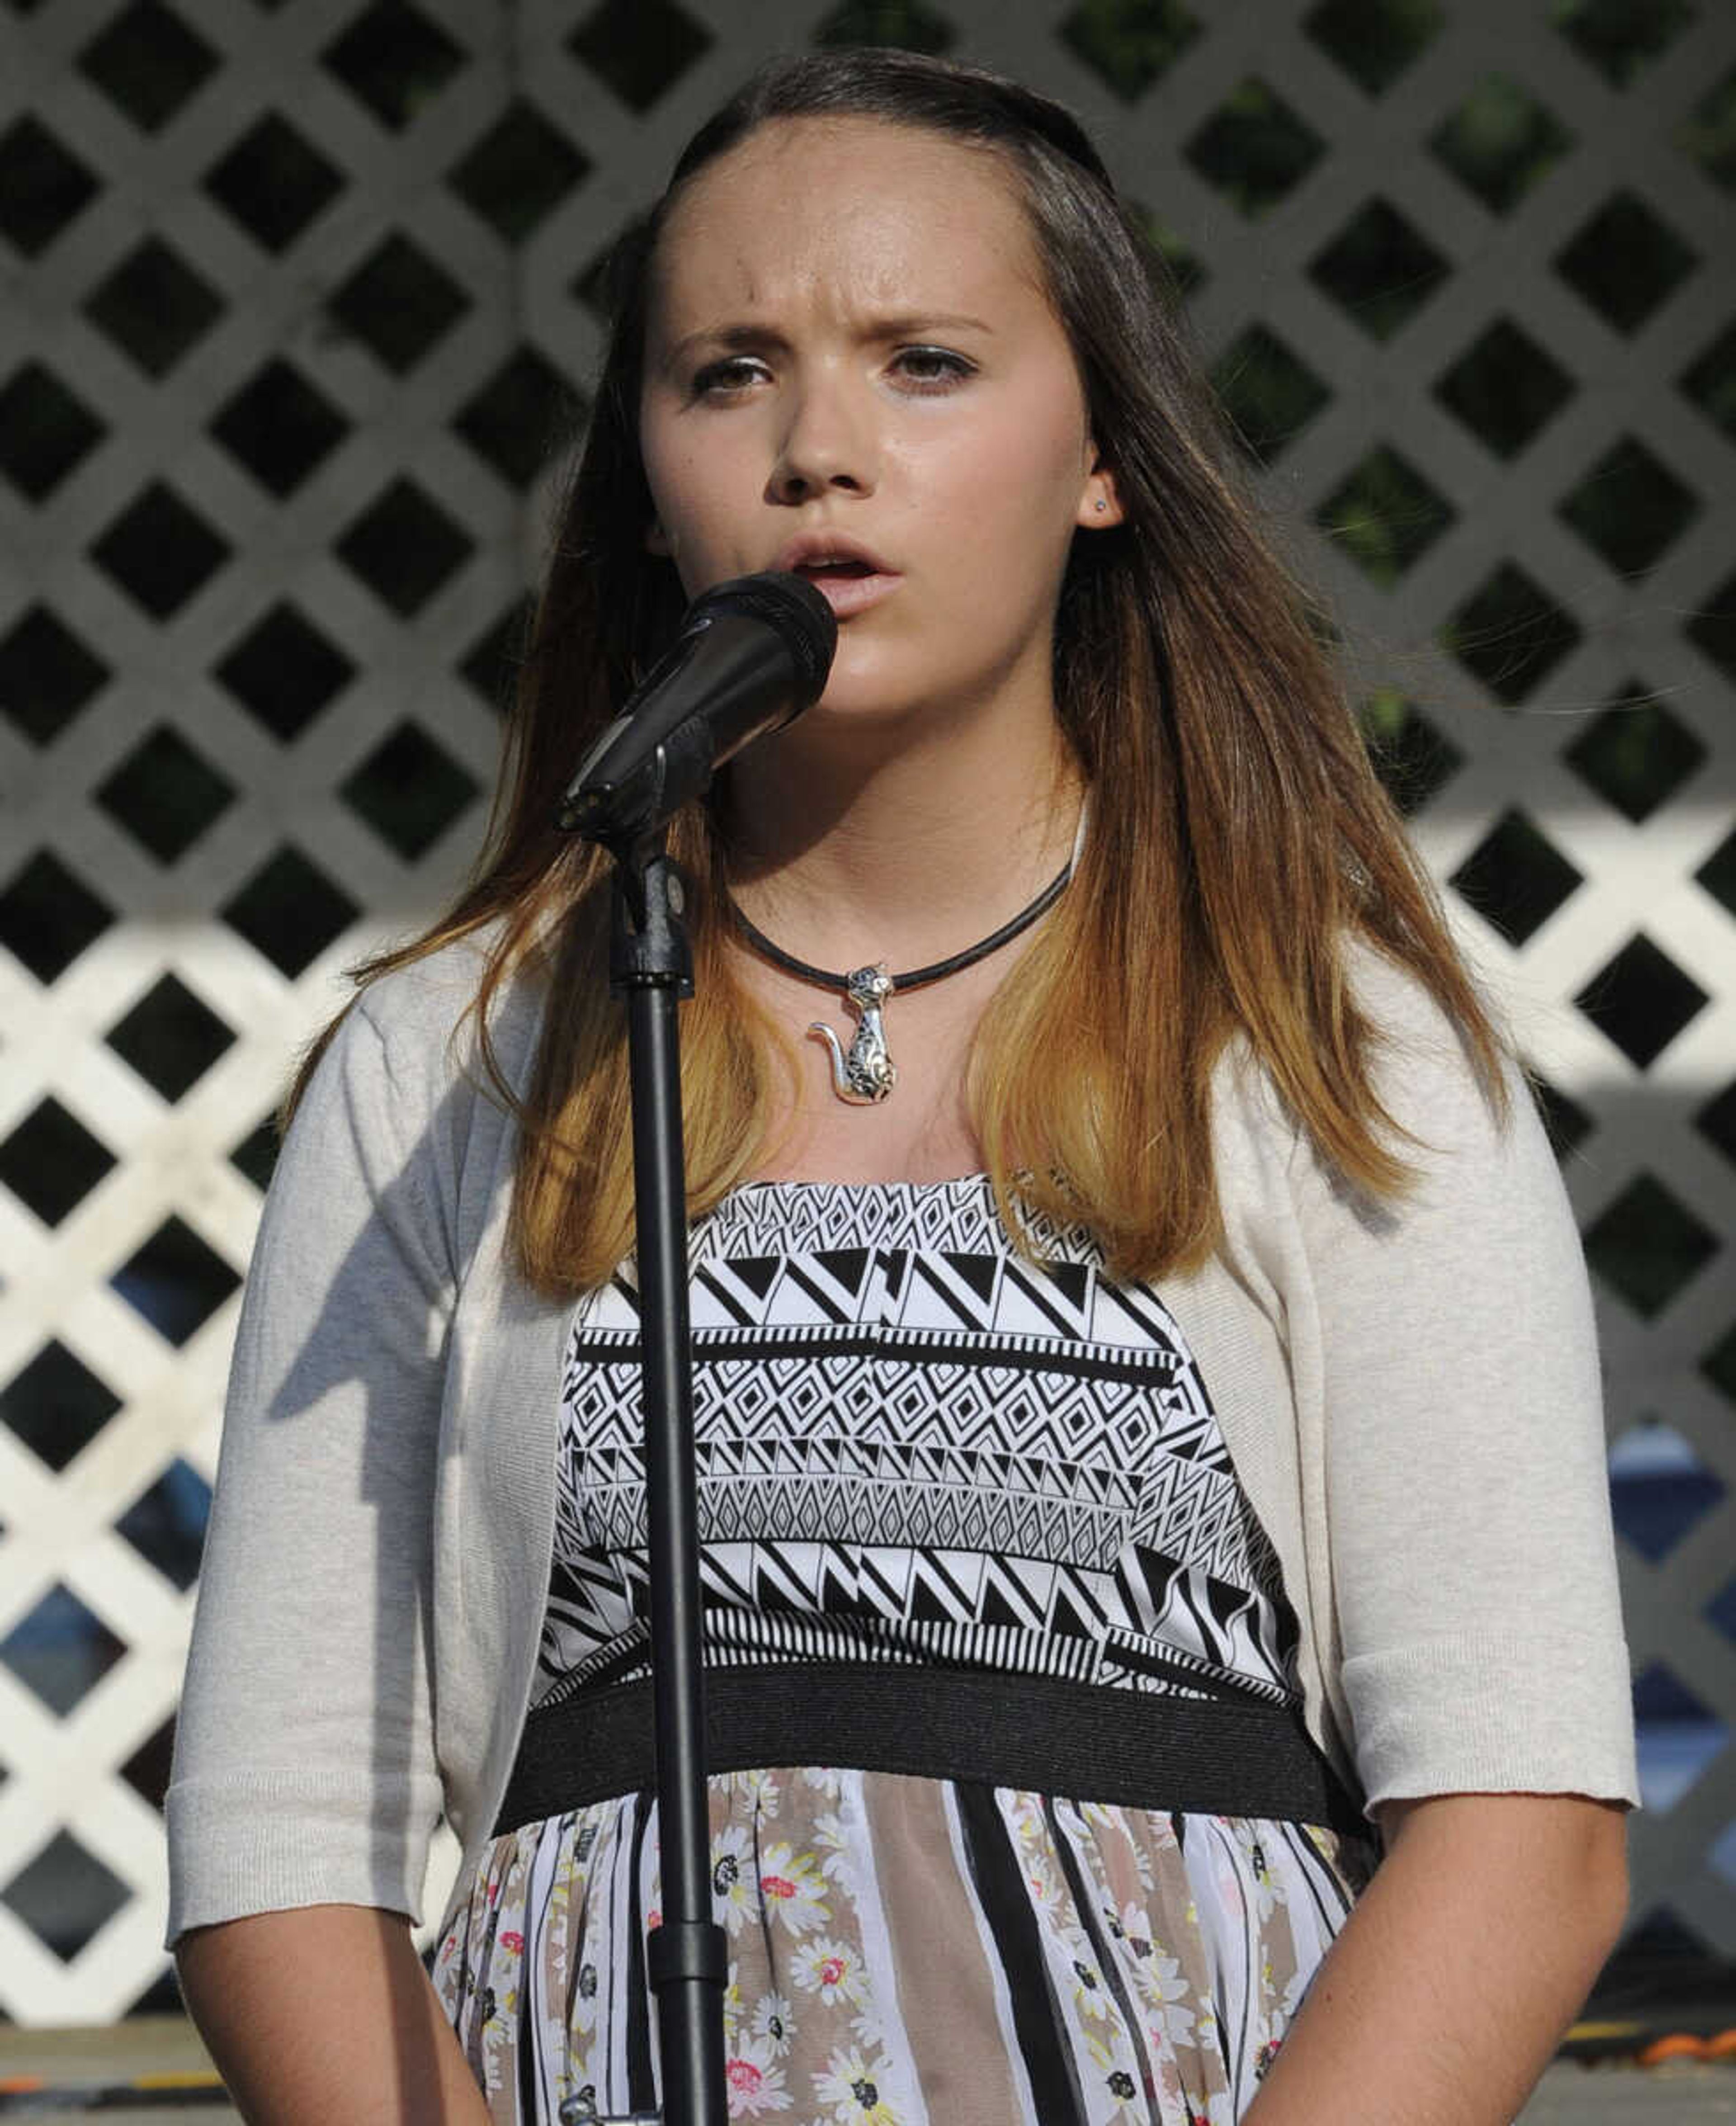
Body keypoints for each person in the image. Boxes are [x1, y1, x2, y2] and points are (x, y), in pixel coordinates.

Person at [165, 46, 1638, 2126]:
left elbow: (1527, 1820)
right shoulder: (455, 1062)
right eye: (729, 373)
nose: (819, 451)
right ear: (648, 476)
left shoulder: (1332, 1040)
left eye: (925, 363)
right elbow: (278, 1848)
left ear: (1104, 455)